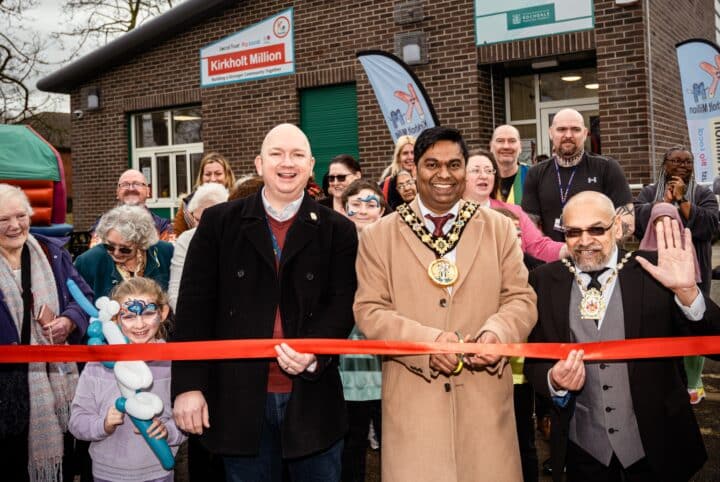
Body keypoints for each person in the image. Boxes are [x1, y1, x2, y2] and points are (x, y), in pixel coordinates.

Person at [171, 123, 358, 482]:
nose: (287, 163)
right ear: (259, 164)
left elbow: (343, 301)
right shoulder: (219, 224)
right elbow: (194, 308)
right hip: (239, 401)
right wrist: (188, 386)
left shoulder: (338, 229)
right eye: (277, 154)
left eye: (297, 155)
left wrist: (314, 352)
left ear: (310, 165)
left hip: (312, 399)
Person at [354, 126, 537, 481]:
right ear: (413, 169)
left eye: (454, 164)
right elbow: (369, 311)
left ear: (466, 169)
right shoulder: (379, 235)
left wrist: (496, 332)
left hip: (485, 406)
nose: (443, 175)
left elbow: (521, 298)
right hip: (414, 408)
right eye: (431, 164)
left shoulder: (498, 228)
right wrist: (427, 344)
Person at [525, 191, 720, 482]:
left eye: (597, 229)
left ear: (617, 227)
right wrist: (554, 379)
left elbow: (714, 344)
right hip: (584, 452)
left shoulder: (655, 270)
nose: (584, 240)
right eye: (573, 232)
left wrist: (688, 293)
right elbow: (533, 358)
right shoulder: (545, 279)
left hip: (656, 447)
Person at [0, 184, 93, 482]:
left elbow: (86, 300)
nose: (15, 226)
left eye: (20, 216)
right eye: (3, 220)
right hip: (5, 392)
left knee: (62, 468)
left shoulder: (50, 253)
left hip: (54, 389)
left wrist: (69, 322)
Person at [69, 277, 186, 482]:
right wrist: (102, 425)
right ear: (115, 319)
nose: (139, 324)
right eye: (129, 316)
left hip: (158, 473)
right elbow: (76, 421)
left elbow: (186, 418)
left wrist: (168, 430)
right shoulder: (98, 366)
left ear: (164, 312)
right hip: (108, 474)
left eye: (149, 313)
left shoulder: (171, 363)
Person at [634, 145, 718, 404]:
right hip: (655, 272)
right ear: (664, 164)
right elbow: (638, 222)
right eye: (676, 161)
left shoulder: (703, 193)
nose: (682, 166)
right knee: (660, 323)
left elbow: (712, 226)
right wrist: (664, 204)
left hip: (693, 274)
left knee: (695, 324)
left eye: (687, 162)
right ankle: (665, 378)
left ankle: (694, 380)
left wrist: (682, 200)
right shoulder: (649, 192)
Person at [521, 108, 634, 241]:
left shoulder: (607, 168)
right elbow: (529, 226)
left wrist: (595, 247)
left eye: (575, 129)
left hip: (598, 255)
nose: (568, 135)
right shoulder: (536, 173)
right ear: (550, 133)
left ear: (585, 133)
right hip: (553, 257)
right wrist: (552, 251)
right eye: (561, 129)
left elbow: (627, 223)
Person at [337, 179, 386, 482]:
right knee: (350, 443)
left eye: (372, 204)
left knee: (392, 443)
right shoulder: (334, 248)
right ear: (344, 208)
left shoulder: (393, 246)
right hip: (347, 366)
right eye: (357, 204)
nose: (365, 210)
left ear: (382, 210)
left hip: (387, 364)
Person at [464, 148, 567, 262]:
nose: (484, 176)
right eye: (476, 170)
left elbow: (539, 247)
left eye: (489, 171)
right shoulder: (449, 213)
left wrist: (571, 249)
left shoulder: (514, 212)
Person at [75, 205, 174, 298]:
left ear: (140, 243)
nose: (116, 253)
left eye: (124, 249)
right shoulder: (87, 261)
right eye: (109, 246)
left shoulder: (165, 252)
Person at [168, 183, 228, 310]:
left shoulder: (236, 239)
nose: (200, 227)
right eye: (196, 219)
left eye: (207, 220)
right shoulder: (186, 240)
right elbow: (175, 292)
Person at [89, 169, 174, 247]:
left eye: (137, 184)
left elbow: (165, 257)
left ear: (148, 192)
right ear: (117, 193)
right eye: (125, 184)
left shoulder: (163, 226)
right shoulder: (103, 223)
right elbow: (96, 256)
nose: (131, 188)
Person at [173, 152, 235, 237]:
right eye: (208, 174)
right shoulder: (187, 206)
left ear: (227, 176)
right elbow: (178, 239)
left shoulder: (238, 202)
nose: (213, 179)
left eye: (218, 174)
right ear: (201, 177)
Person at [490, 124, 530, 205]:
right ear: (491, 146)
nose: (506, 146)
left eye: (512, 141)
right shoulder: (481, 179)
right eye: (500, 141)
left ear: (520, 147)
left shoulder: (533, 176)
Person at [379, 135, 416, 210]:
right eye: (405, 153)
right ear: (398, 157)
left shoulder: (425, 176)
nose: (410, 157)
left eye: (413, 153)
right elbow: (403, 215)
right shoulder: (390, 182)